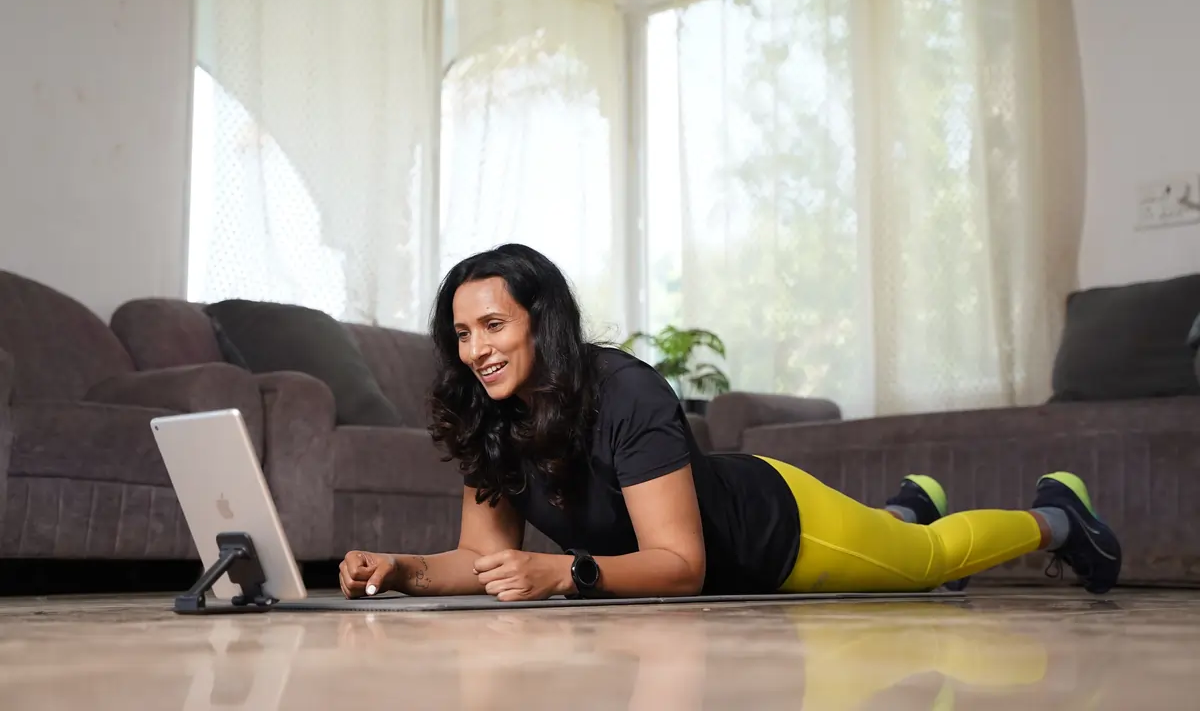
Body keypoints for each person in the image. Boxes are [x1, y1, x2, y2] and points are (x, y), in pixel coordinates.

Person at [338, 244, 1121, 602]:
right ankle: (903, 507)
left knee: (929, 564)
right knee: (898, 541)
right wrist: (399, 569)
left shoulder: (627, 393)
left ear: (543, 323)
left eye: (493, 326)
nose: (476, 350)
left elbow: (681, 566)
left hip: (775, 534)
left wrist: (565, 571)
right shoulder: (491, 416)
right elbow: (480, 556)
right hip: (730, 528)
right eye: (462, 334)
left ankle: (1059, 517)